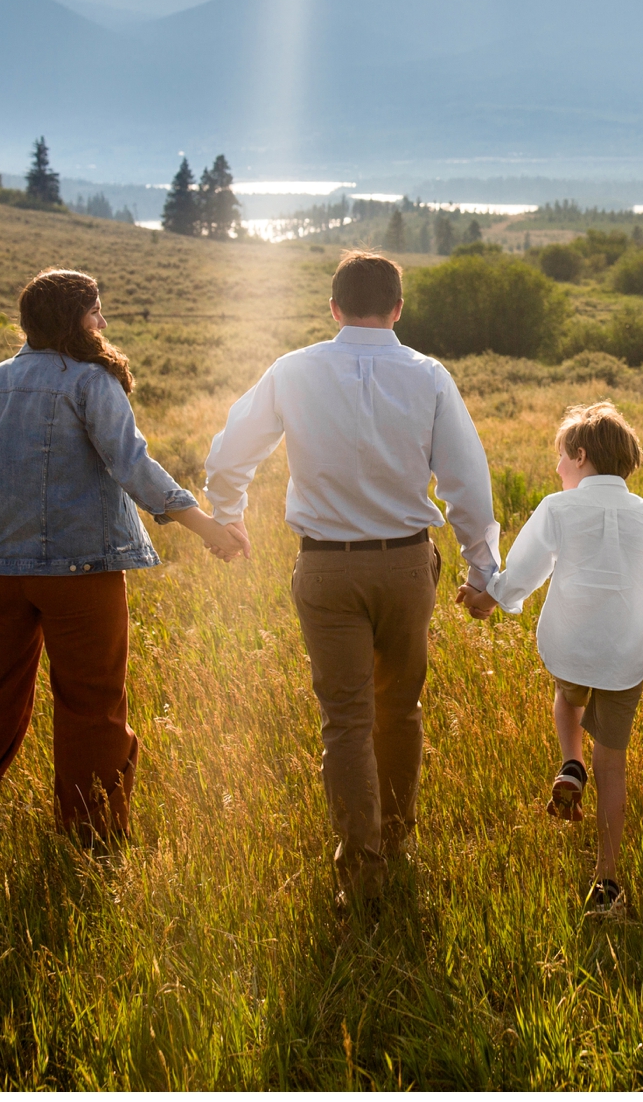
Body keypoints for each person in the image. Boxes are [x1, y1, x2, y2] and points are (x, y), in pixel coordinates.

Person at [203, 251, 502, 903]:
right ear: (398, 308)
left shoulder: (293, 370)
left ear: (334, 308)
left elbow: (230, 453)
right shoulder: (428, 376)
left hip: (326, 566)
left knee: (344, 719)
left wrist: (228, 516)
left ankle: (360, 866)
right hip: (404, 564)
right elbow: (466, 481)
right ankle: (395, 840)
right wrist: (484, 567)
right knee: (400, 707)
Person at [0, 267, 245, 841]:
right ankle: (90, 834)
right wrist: (205, 526)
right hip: (79, 573)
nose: (102, 321)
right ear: (69, 319)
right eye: (94, 310)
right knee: (91, 702)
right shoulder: (88, 382)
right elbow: (132, 466)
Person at [470, 402, 643, 919]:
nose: (557, 469)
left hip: (569, 649)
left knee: (568, 692)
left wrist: (494, 596)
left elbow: (522, 572)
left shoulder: (557, 508)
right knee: (614, 764)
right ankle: (607, 883)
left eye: (561, 457)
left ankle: (570, 760)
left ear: (581, 455)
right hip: (625, 658)